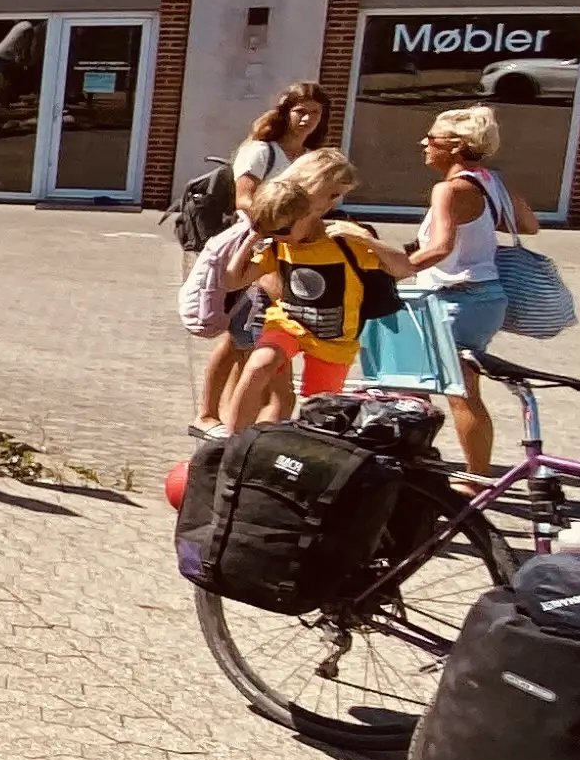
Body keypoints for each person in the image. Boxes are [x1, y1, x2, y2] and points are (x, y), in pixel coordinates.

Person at [219, 151, 423, 427]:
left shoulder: (341, 234)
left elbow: (404, 268)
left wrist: (365, 239)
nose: (332, 204)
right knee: (259, 367)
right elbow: (236, 280)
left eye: (337, 197)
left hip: (333, 337)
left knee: (320, 406)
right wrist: (255, 236)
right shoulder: (281, 230)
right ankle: (234, 448)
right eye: (330, 195)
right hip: (287, 322)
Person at [396, 104, 528, 469]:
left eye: (432, 138)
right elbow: (528, 224)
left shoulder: (449, 189)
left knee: (460, 392)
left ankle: (477, 476)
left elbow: (440, 248)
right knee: (410, 388)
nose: (424, 142)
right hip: (483, 298)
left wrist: (392, 272)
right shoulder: (488, 179)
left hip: (456, 299)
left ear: (454, 145)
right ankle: (409, 462)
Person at [198, 81, 330, 431]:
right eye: (300, 111)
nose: (307, 119)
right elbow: (243, 199)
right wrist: (277, 221)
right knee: (239, 336)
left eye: (315, 112)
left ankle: (228, 417)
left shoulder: (311, 157)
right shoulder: (262, 151)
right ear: (285, 112)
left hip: (291, 252)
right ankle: (210, 414)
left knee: (240, 336)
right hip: (254, 247)